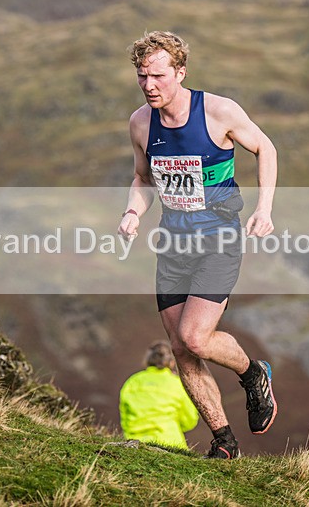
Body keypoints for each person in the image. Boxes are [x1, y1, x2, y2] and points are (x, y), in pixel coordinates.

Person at [117, 31, 279, 459]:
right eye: (141, 76)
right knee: (180, 347)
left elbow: (265, 147)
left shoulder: (218, 111)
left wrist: (264, 209)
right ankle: (224, 441)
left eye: (157, 75)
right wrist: (133, 212)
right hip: (172, 243)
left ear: (180, 72)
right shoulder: (140, 123)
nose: (149, 85)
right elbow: (143, 178)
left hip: (218, 239)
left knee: (195, 336)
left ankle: (251, 373)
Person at [119, 341, 199, 449]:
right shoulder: (177, 383)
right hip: (171, 443)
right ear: (171, 362)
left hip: (134, 442)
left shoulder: (132, 381)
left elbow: (124, 415)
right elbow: (190, 420)